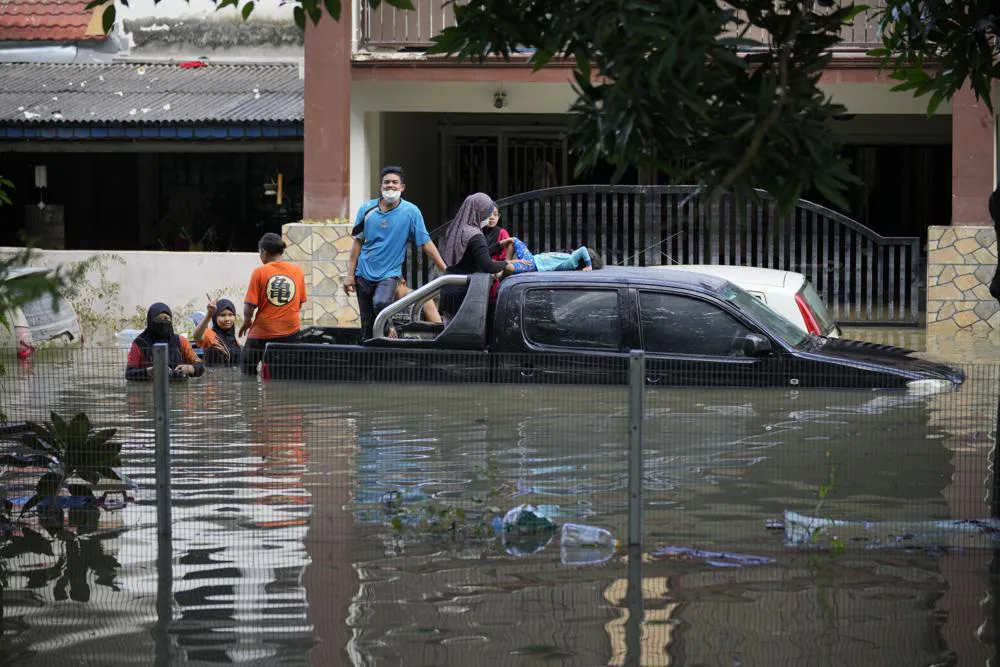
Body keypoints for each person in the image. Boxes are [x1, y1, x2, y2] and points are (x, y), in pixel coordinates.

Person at [344, 165, 448, 340]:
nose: (390, 186)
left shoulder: (411, 212)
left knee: (381, 302)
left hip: (389, 274)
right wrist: (350, 275)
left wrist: (445, 268)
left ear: (402, 187)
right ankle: (371, 360)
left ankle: (388, 328)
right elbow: (357, 243)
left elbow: (426, 243)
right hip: (363, 273)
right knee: (367, 323)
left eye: (394, 182)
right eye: (386, 183)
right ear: (380, 186)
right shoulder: (366, 209)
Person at [438, 192, 516, 317]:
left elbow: (472, 256)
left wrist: (498, 245)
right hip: (464, 295)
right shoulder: (475, 235)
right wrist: (508, 263)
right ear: (480, 212)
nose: (490, 215)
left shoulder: (457, 229)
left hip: (449, 290)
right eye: (488, 211)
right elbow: (488, 265)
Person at [239, 232, 307, 376]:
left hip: (263, 332)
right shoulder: (297, 271)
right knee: (286, 374)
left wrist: (247, 321)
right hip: (291, 332)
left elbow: (250, 305)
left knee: (246, 368)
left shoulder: (259, 272)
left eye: (260, 252)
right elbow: (299, 303)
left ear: (264, 251)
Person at [125, 303, 204, 381]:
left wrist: (189, 368)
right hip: (151, 391)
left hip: (177, 391)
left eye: (166, 319)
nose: (163, 322)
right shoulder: (139, 343)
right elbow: (129, 373)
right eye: (159, 319)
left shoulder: (181, 341)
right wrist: (148, 371)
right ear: (150, 321)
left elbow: (200, 365)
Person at [500, 237, 603, 273]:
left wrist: (589, 265)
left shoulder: (572, 262)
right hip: (531, 258)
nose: (576, 251)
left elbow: (583, 249)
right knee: (513, 241)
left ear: (580, 259)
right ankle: (502, 268)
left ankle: (502, 271)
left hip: (532, 265)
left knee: (508, 267)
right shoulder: (570, 257)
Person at [191, 296, 241, 366]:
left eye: (230, 315)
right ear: (215, 317)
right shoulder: (210, 334)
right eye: (222, 315)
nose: (227, 319)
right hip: (214, 376)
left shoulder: (234, 340)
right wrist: (209, 314)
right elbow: (197, 336)